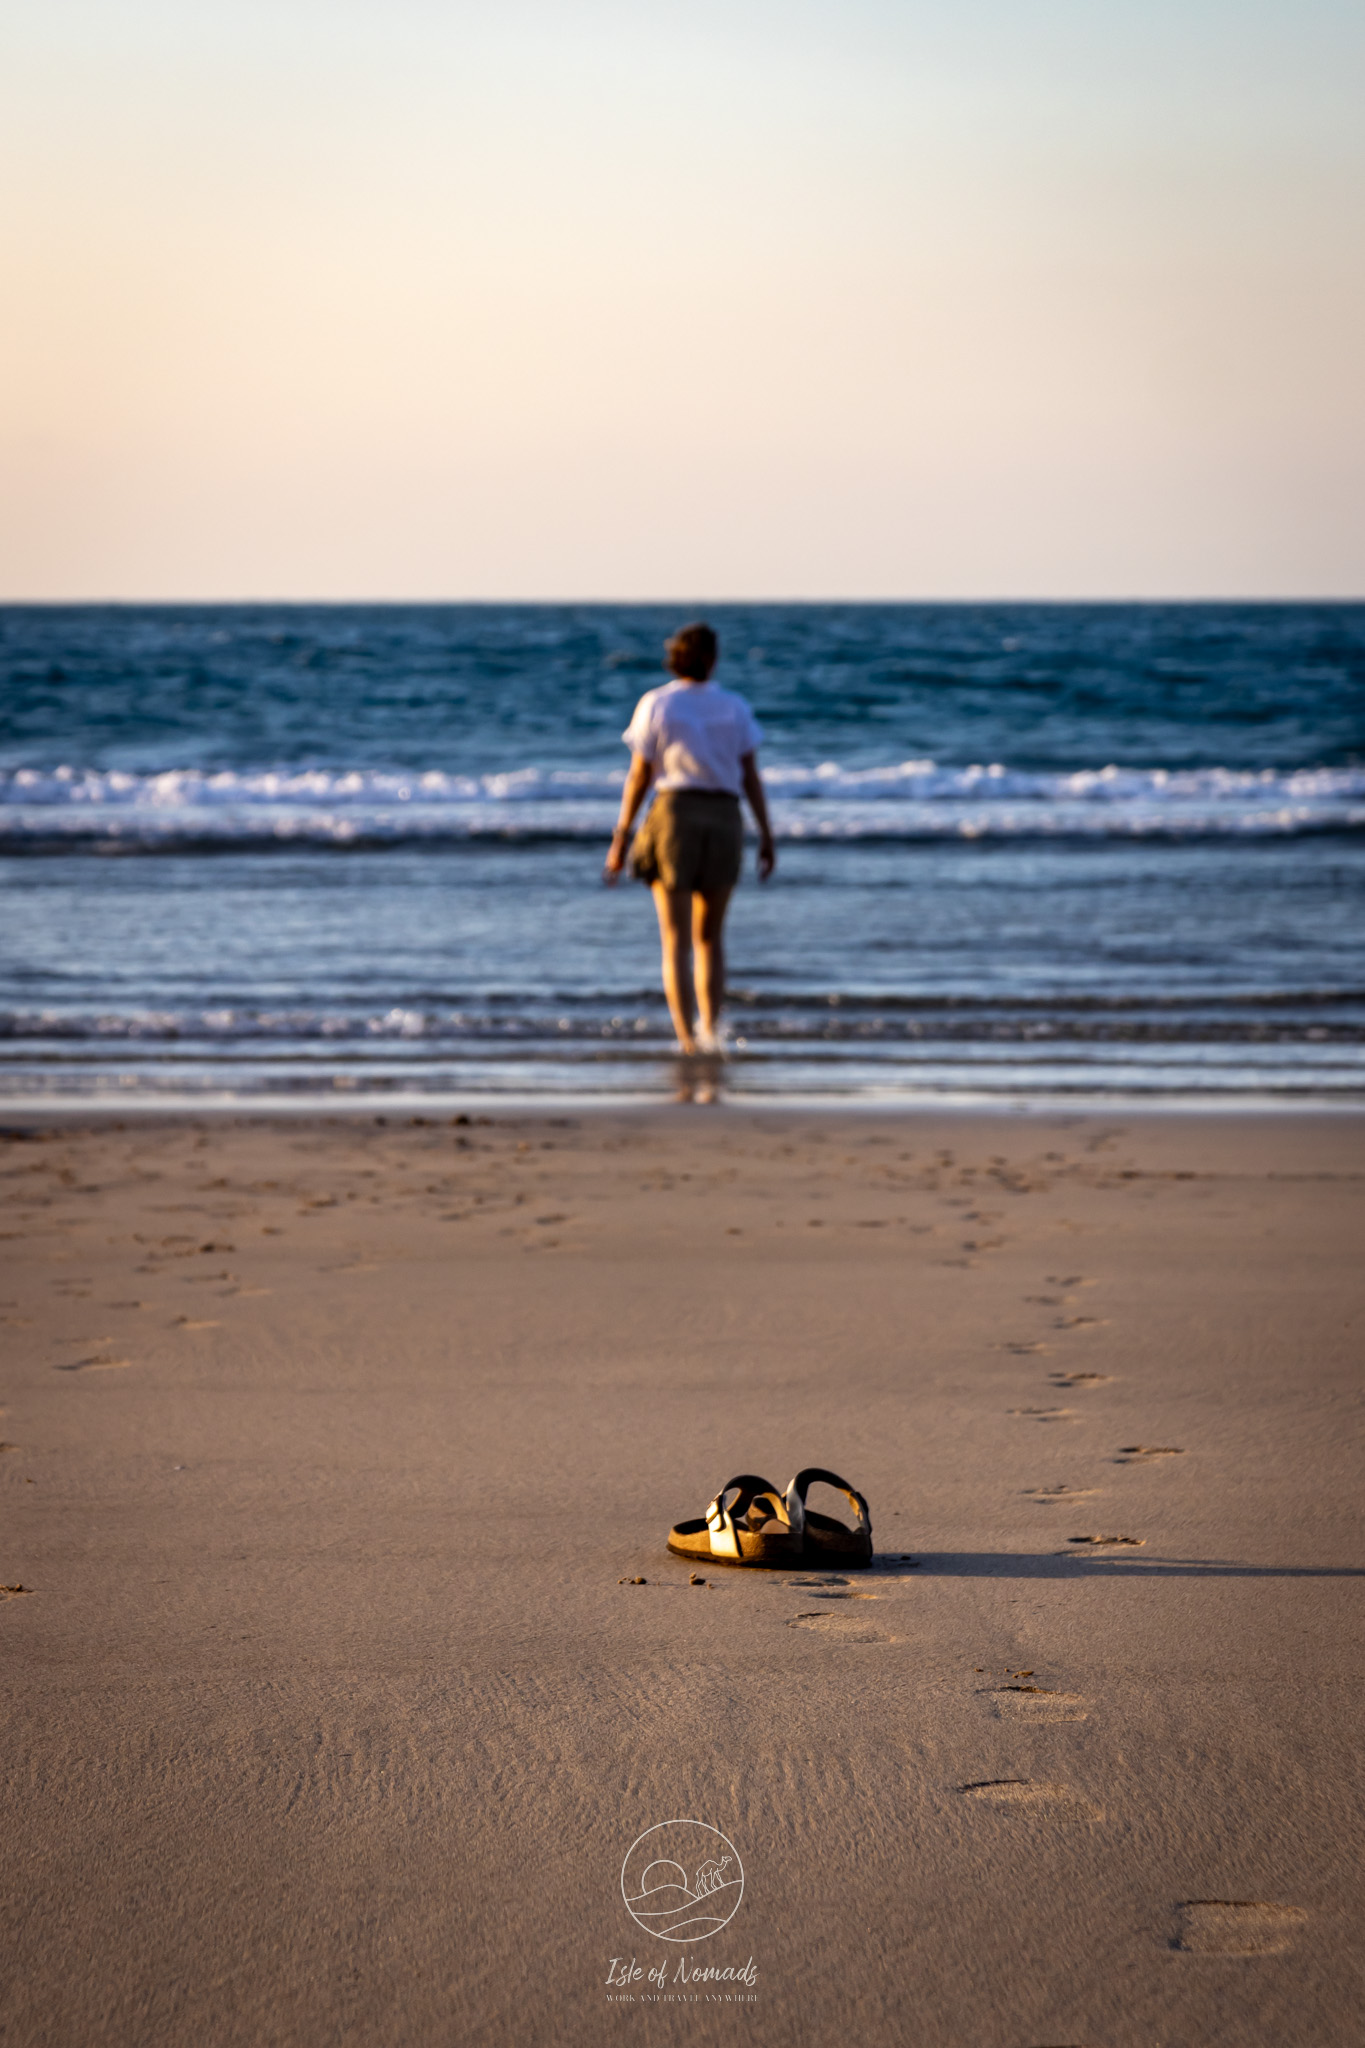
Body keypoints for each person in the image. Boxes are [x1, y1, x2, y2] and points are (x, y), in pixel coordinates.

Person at [604, 622, 775, 1055]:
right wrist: (766, 834)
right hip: (724, 816)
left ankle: (686, 1039)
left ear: (675, 657)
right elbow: (750, 777)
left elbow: (641, 775)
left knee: (675, 939)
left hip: (675, 814)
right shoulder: (733, 706)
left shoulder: (658, 704)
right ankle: (710, 1031)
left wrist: (621, 837)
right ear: (713, 659)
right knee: (711, 939)